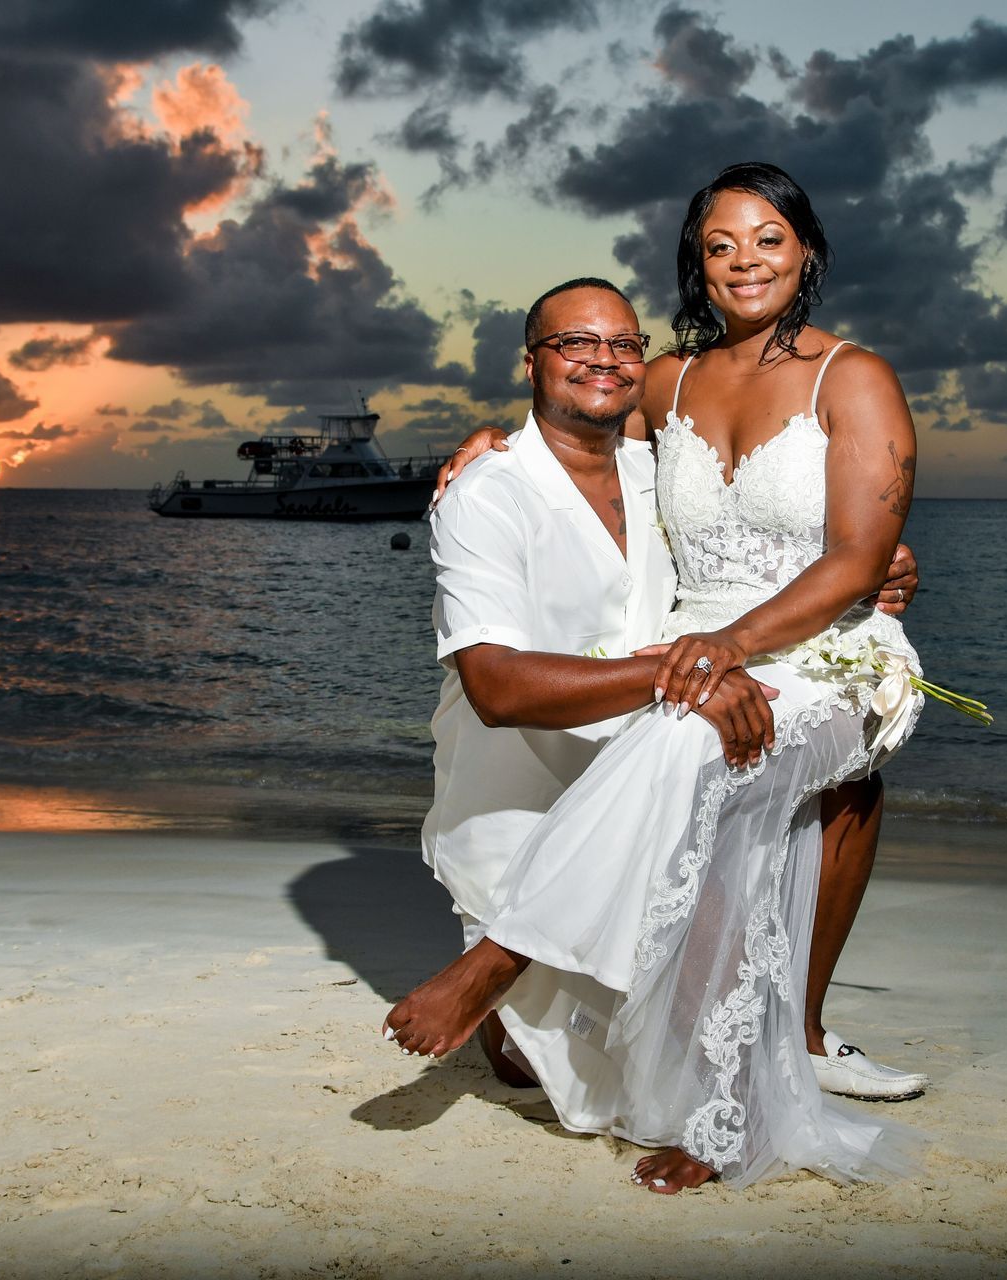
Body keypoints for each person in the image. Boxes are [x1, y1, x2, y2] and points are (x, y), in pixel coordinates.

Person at [388, 162, 927, 1191]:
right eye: (720, 244)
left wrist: (736, 643)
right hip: (690, 650)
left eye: (767, 238)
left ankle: (511, 964)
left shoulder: (853, 377)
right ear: (698, 264)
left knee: (684, 734)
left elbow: (860, 557)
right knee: (678, 739)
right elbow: (583, 446)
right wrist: (488, 445)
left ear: (804, 249)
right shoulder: (668, 379)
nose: (744, 261)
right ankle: (698, 1065)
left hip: (832, 649)